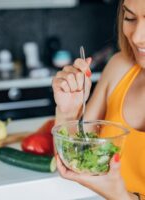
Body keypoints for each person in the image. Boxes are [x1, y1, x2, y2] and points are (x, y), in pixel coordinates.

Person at [52, 0, 145, 199]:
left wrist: (120, 196)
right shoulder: (120, 67)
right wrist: (69, 111)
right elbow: (77, 158)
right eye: (129, 18)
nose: (137, 37)